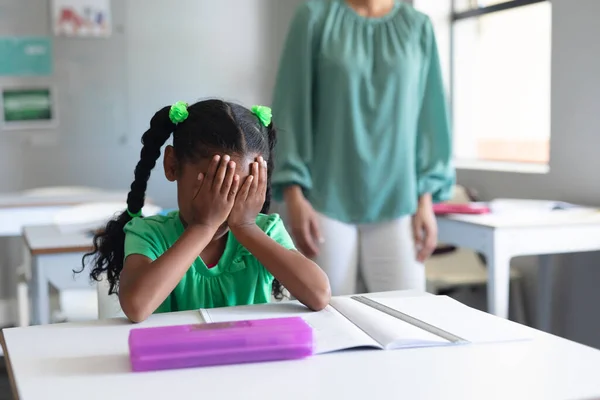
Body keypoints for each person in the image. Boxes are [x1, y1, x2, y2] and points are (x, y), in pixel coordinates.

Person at [82, 99, 331, 322]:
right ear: (172, 165)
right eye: (213, 186)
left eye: (240, 189)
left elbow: (319, 295)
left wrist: (246, 228)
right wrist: (204, 226)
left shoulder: (266, 231)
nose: (223, 203)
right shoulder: (148, 234)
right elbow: (136, 307)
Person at [272, 0, 454, 295]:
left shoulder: (419, 26)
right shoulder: (314, 17)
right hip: (324, 200)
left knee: (407, 322)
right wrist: (293, 194)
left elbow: (430, 118)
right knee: (327, 318)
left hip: (400, 202)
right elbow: (291, 105)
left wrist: (426, 200)